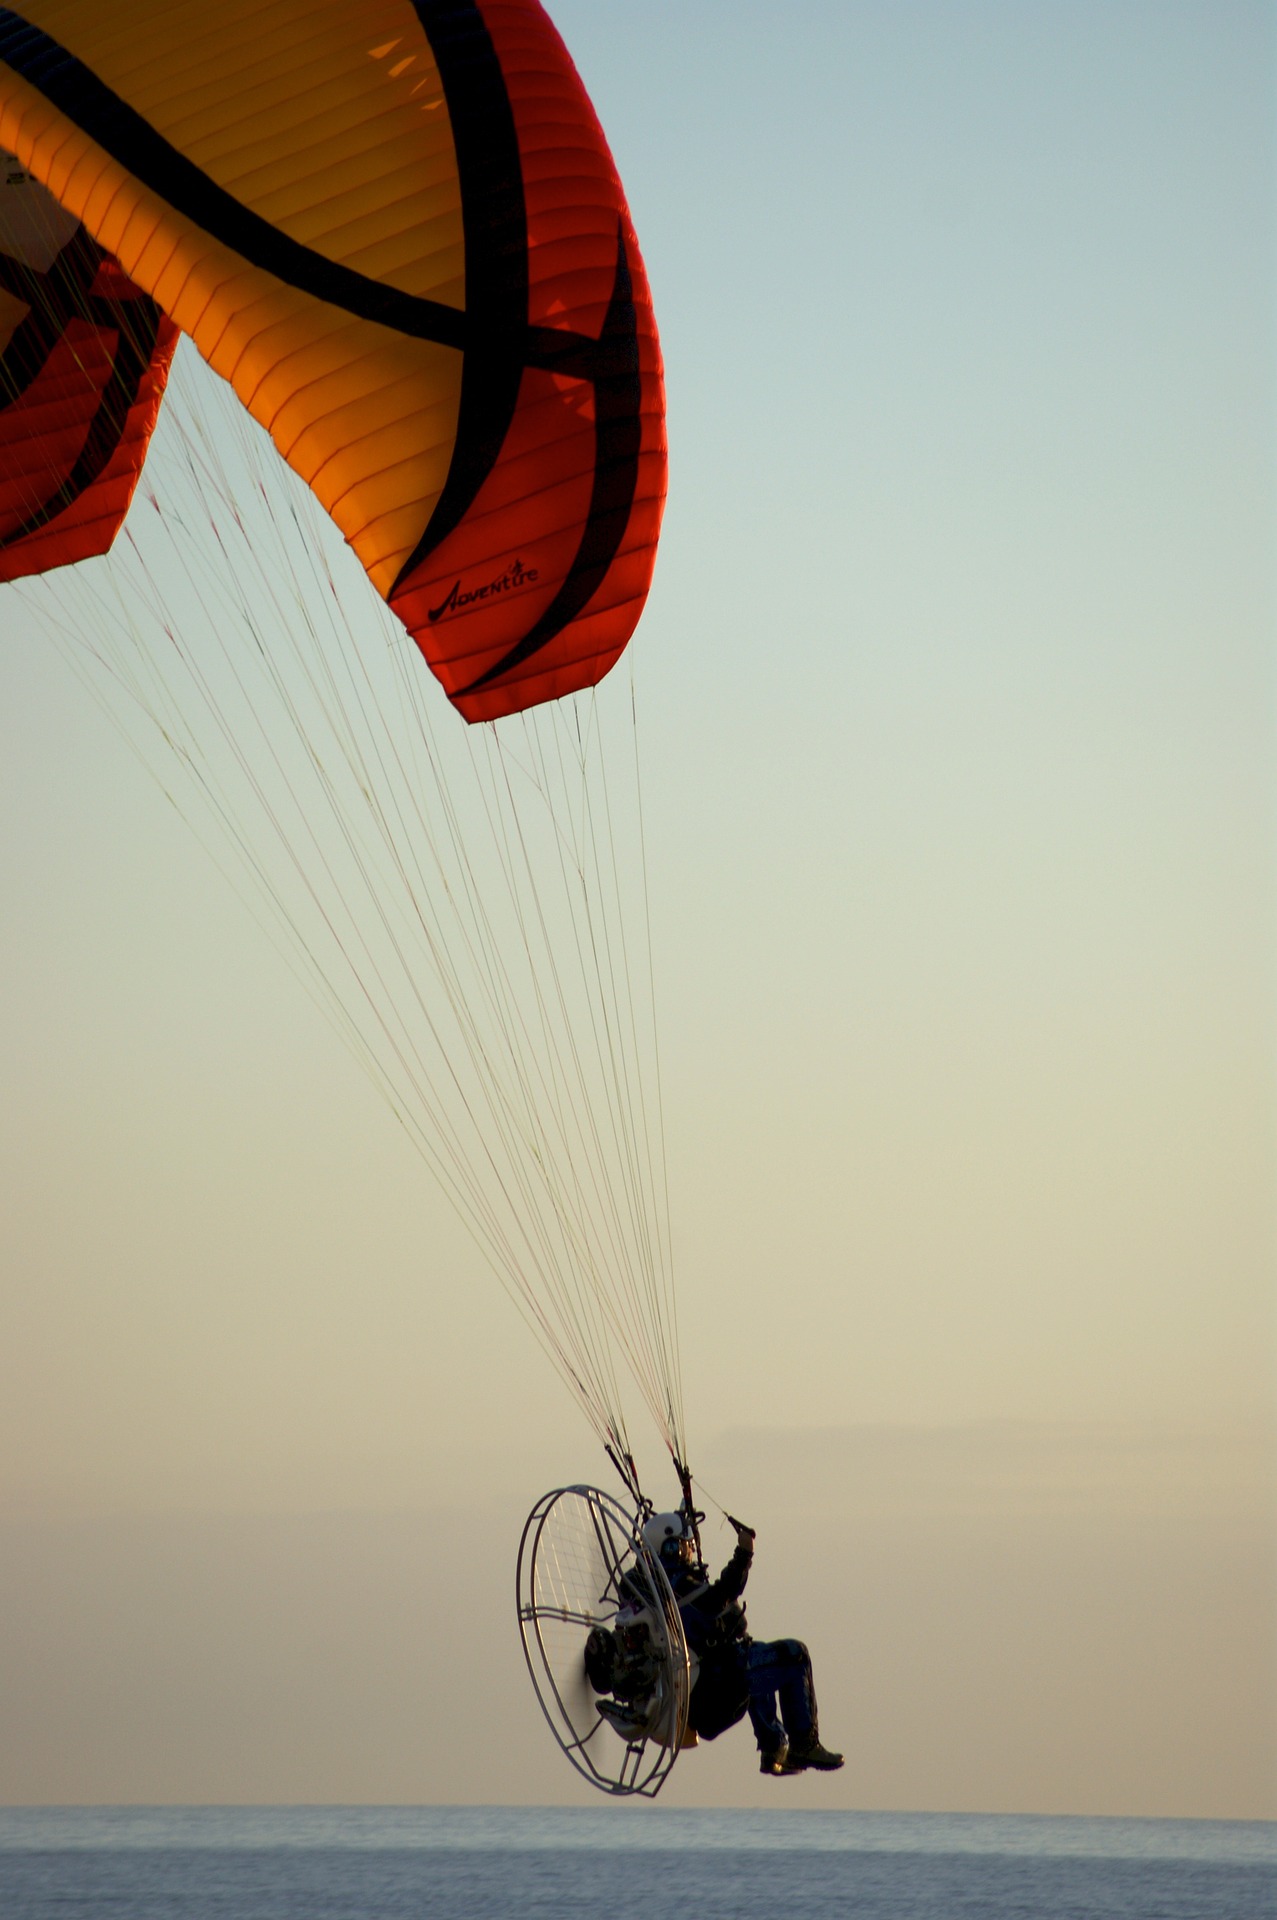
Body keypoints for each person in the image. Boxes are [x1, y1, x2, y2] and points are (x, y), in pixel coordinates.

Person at [641, 1510, 844, 1776]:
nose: (689, 1550)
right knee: (795, 1655)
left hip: (708, 1687)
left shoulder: (651, 1585)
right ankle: (804, 1745)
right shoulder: (680, 1587)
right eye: (684, 1545)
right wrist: (744, 1553)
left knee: (757, 1663)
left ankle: (774, 1750)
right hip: (717, 1686)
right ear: (670, 1548)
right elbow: (721, 1595)